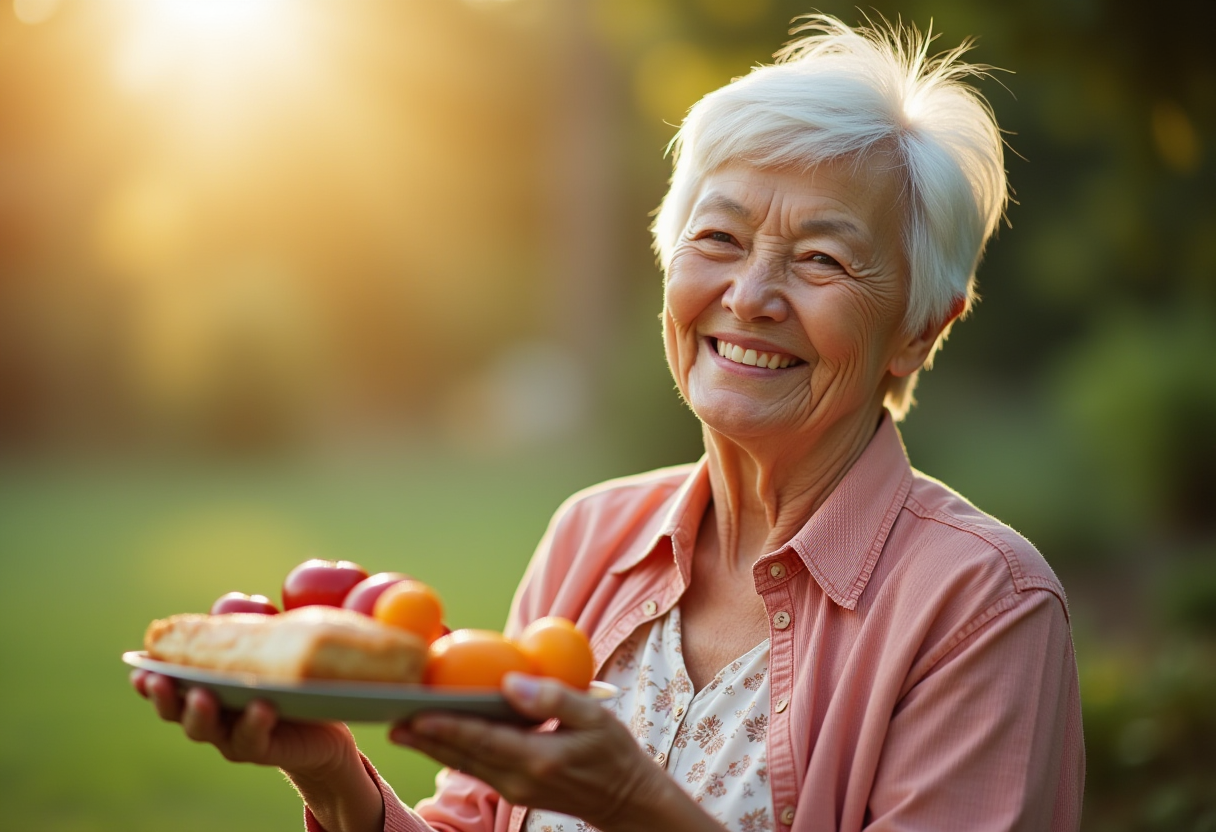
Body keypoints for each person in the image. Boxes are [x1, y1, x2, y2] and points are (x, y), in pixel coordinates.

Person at [132, 14, 1085, 832]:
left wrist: (636, 804)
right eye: (718, 239)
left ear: (918, 331)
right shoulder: (592, 536)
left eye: (823, 260)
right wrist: (331, 772)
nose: (750, 296)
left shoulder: (981, 610)